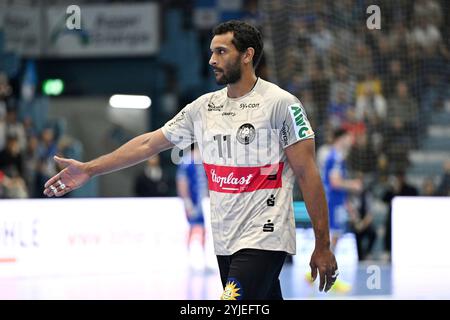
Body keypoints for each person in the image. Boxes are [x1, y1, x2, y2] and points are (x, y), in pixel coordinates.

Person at [43, 20, 338, 300]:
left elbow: (307, 174)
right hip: (224, 239)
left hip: (265, 236)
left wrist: (322, 244)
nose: (212, 59)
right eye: (211, 51)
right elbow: (148, 143)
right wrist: (90, 169)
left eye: (221, 51)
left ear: (247, 55)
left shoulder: (281, 104)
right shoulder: (203, 108)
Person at [176, 144, 209, 269]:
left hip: (202, 201)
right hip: (192, 200)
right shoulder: (186, 161)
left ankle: (205, 258)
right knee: (191, 228)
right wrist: (187, 201)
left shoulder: (204, 161)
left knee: (204, 229)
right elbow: (182, 182)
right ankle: (188, 258)